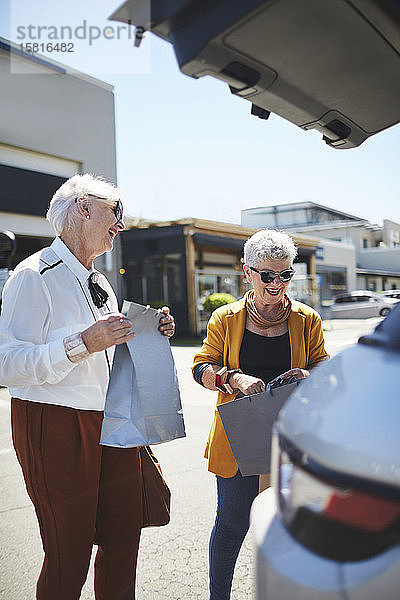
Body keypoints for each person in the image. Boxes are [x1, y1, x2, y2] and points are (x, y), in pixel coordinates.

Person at [0, 174, 175, 600]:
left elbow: (109, 354)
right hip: (54, 425)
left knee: (122, 540)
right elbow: (6, 364)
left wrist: (150, 332)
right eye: (114, 212)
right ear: (82, 208)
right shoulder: (33, 275)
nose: (120, 223)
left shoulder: (100, 282)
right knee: (69, 553)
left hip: (112, 422)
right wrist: (83, 343)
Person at [192, 229, 329, 600]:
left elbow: (326, 369)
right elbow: (201, 367)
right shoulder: (225, 318)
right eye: (267, 275)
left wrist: (307, 375)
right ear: (247, 272)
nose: (276, 283)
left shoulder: (307, 319)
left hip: (290, 440)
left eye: (285, 275)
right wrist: (233, 378)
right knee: (232, 526)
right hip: (239, 439)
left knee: (289, 528)